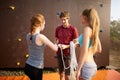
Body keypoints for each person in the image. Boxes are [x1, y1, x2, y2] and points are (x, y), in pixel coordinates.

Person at [24, 14, 59, 80]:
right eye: (44, 24)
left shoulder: (28, 35)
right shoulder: (41, 37)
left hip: (28, 66)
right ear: (40, 24)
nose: (44, 26)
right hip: (36, 69)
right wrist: (57, 43)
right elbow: (55, 49)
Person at [76, 8, 102, 80]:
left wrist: (78, 69)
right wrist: (86, 48)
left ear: (85, 17)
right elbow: (99, 49)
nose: (81, 20)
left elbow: (84, 51)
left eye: (81, 17)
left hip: (85, 66)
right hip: (92, 66)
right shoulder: (94, 31)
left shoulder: (87, 29)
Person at [55, 11, 79, 80]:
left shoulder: (73, 29)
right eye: (62, 19)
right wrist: (57, 44)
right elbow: (56, 39)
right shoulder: (58, 29)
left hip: (68, 54)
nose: (63, 21)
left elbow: (76, 44)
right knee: (61, 73)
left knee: (67, 75)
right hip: (59, 53)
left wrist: (66, 46)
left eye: (64, 19)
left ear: (68, 19)